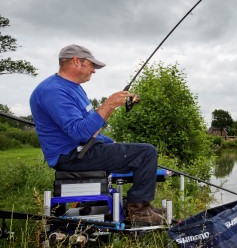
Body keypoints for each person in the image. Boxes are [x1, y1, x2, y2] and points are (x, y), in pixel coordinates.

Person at [30, 44, 165, 227]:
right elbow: (79, 132)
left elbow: (90, 130)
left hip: (84, 149)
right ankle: (139, 212)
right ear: (76, 61)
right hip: (72, 156)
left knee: (138, 152)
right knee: (146, 153)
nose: (93, 70)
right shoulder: (54, 91)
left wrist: (110, 143)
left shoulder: (74, 88)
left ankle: (141, 206)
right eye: (91, 65)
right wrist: (109, 104)